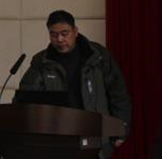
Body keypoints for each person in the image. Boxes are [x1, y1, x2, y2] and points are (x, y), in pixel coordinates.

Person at [19, 10, 131, 158]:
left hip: (95, 136)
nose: (59, 39)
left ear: (75, 32)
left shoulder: (98, 56)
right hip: (58, 140)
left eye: (64, 33)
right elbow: (25, 98)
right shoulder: (42, 62)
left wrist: (121, 129)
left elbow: (118, 93)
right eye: (54, 35)